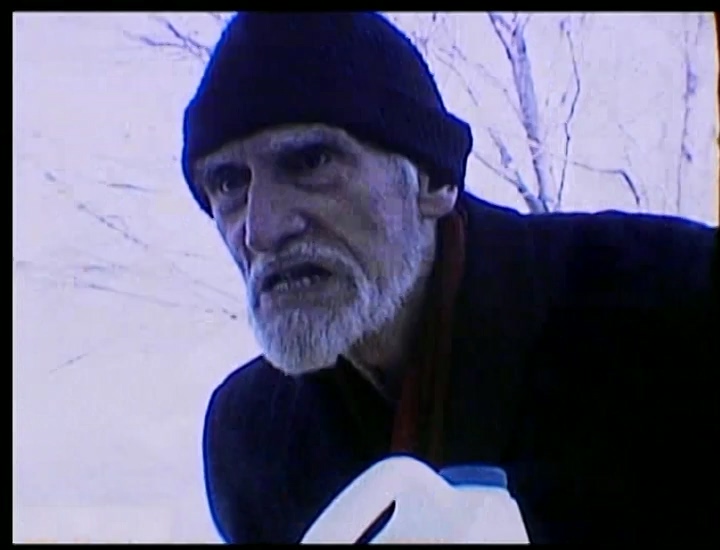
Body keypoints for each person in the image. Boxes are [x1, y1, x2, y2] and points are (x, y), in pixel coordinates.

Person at [180, 12, 717, 543]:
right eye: (227, 183)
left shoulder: (672, 304)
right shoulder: (251, 442)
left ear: (434, 183)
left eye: (311, 161)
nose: (261, 228)